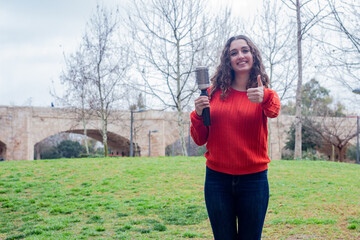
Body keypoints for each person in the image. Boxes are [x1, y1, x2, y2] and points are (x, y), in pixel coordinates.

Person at [190, 35, 281, 240]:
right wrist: (197, 114)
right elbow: (199, 139)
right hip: (217, 181)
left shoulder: (263, 94)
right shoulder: (212, 93)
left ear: (253, 55)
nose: (240, 55)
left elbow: (274, 111)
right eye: (234, 52)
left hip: (254, 181)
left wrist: (264, 96)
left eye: (245, 50)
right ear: (227, 60)